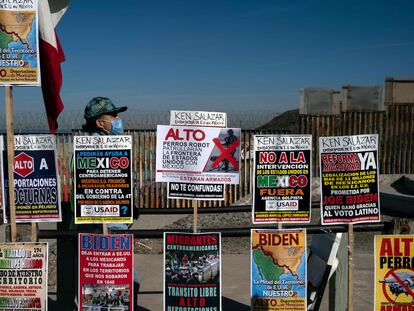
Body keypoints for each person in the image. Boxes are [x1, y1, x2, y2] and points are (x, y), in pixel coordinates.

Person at [81, 97, 140, 310]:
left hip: (115, 225)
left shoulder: (114, 145)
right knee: (120, 282)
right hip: (106, 228)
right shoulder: (94, 148)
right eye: (113, 116)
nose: (118, 119)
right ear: (99, 123)